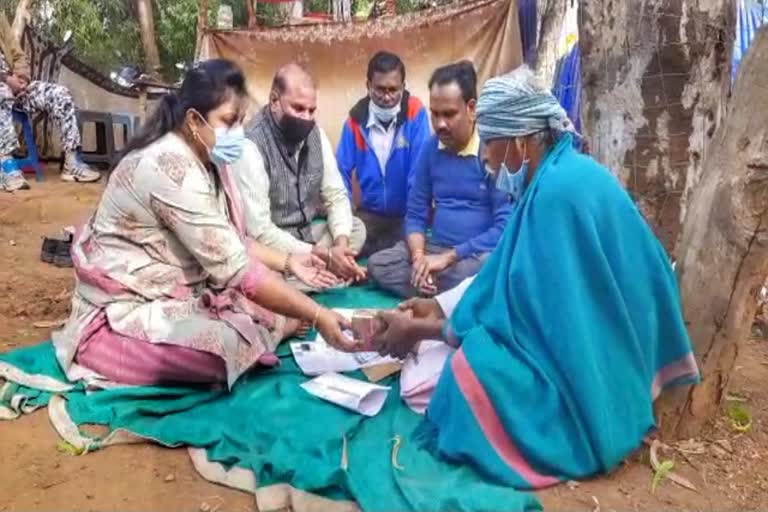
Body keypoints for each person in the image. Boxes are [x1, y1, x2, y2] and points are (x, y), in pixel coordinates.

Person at [369, 66, 700, 488]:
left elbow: (528, 320)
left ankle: (589, 425)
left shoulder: (554, 195)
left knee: (464, 376)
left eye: (490, 143)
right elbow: (509, 276)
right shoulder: (558, 174)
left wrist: (423, 330)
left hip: (600, 349)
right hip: (610, 328)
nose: (486, 159)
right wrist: (435, 309)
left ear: (520, 144)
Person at [52, 59, 356, 387]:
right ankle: (100, 347)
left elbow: (231, 238)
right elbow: (238, 269)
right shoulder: (169, 167)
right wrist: (318, 314)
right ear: (195, 120)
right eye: (228, 121)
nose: (238, 133)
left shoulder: (208, 158)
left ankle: (266, 329)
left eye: (240, 121)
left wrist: (289, 261)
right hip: (127, 305)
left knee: (257, 313)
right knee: (222, 350)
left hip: (183, 291)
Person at [367, 61, 511, 298]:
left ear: (471, 108)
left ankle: (438, 290)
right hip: (436, 249)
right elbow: (415, 214)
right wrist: (419, 259)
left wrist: (450, 257)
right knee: (379, 264)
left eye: (449, 114)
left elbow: (504, 227)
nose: (440, 124)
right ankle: (447, 292)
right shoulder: (430, 149)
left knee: (487, 267)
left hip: (475, 254)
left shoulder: (492, 149)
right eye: (434, 114)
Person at [233, 63, 366, 288]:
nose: (306, 117)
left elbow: (335, 195)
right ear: (275, 101)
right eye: (298, 108)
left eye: (311, 110)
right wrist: (321, 254)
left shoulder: (316, 134)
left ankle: (319, 274)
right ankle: (317, 275)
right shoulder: (250, 146)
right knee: (256, 265)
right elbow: (260, 231)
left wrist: (340, 247)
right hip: (276, 246)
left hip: (309, 234)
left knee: (354, 227)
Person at [336, 51, 430, 257]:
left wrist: (415, 219)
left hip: (407, 216)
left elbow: (420, 173)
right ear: (368, 85)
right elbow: (339, 174)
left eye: (393, 89)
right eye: (380, 89)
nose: (387, 97)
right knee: (343, 249)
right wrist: (345, 218)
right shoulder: (355, 121)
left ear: (403, 87)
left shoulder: (416, 113)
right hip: (369, 217)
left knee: (410, 249)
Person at [0, 13, 100, 192]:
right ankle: (5, 165)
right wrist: (6, 80)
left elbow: (17, 54)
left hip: (15, 87)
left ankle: (72, 162)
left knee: (59, 94)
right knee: (2, 92)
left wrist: (22, 79)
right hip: (3, 89)